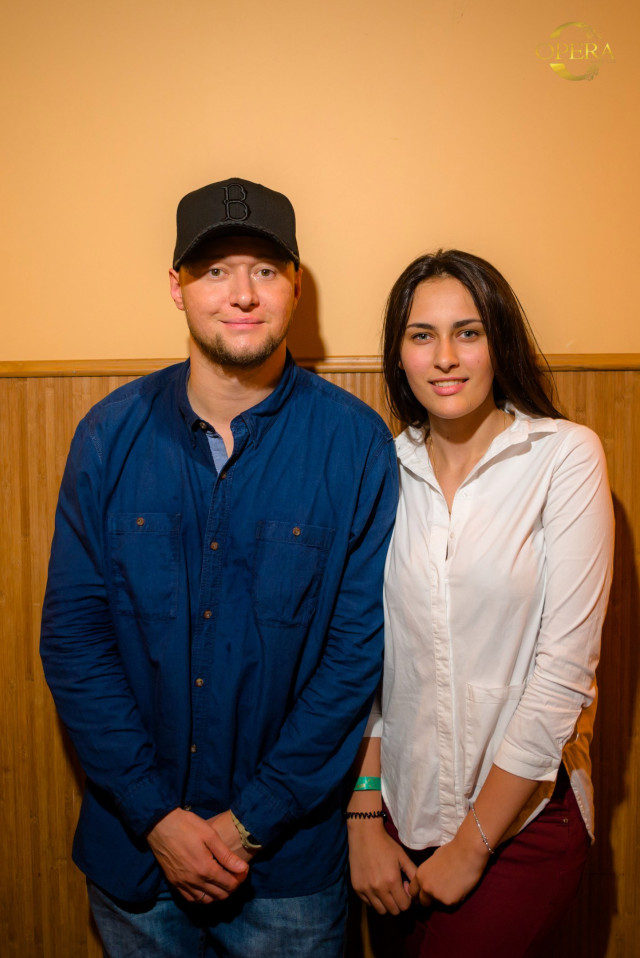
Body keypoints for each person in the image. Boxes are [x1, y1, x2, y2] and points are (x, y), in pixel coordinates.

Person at [40, 177, 398, 958]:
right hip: (137, 863)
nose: (242, 294)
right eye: (214, 271)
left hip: (289, 876)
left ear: (296, 286)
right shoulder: (106, 437)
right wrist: (156, 816)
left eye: (265, 270)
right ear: (177, 288)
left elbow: (355, 660)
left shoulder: (357, 446)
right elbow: (74, 644)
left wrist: (249, 822)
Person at [347, 249, 614, 957]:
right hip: (398, 819)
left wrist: (472, 845)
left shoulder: (564, 457)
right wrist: (363, 817)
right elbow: (366, 661)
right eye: (422, 335)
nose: (445, 357)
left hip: (527, 819)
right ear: (398, 354)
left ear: (500, 342)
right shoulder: (383, 468)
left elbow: (564, 675)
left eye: (468, 332)